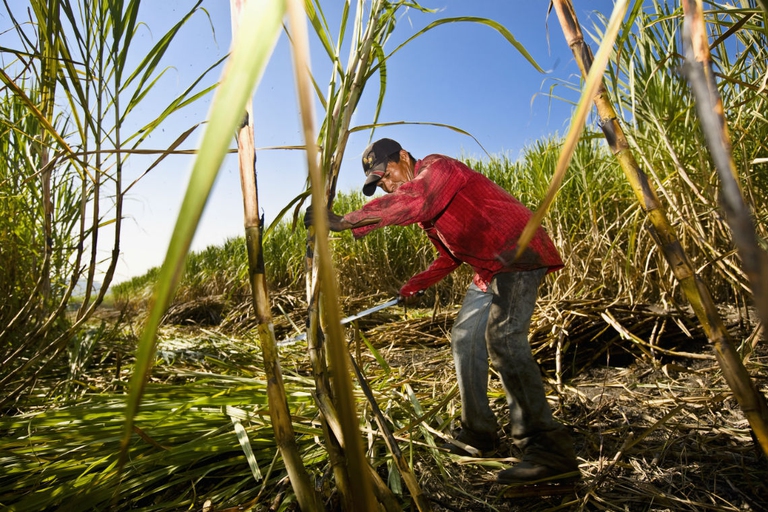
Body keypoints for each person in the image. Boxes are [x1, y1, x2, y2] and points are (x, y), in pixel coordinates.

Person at [304, 138, 579, 484]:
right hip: (489, 268)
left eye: (386, 174)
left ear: (403, 157)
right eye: (379, 184)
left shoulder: (439, 168)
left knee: (504, 338)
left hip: (518, 251)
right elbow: (448, 257)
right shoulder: (430, 220)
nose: (386, 185)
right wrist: (413, 286)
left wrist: (347, 221)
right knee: (465, 338)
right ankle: (479, 433)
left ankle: (549, 449)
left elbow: (417, 199)